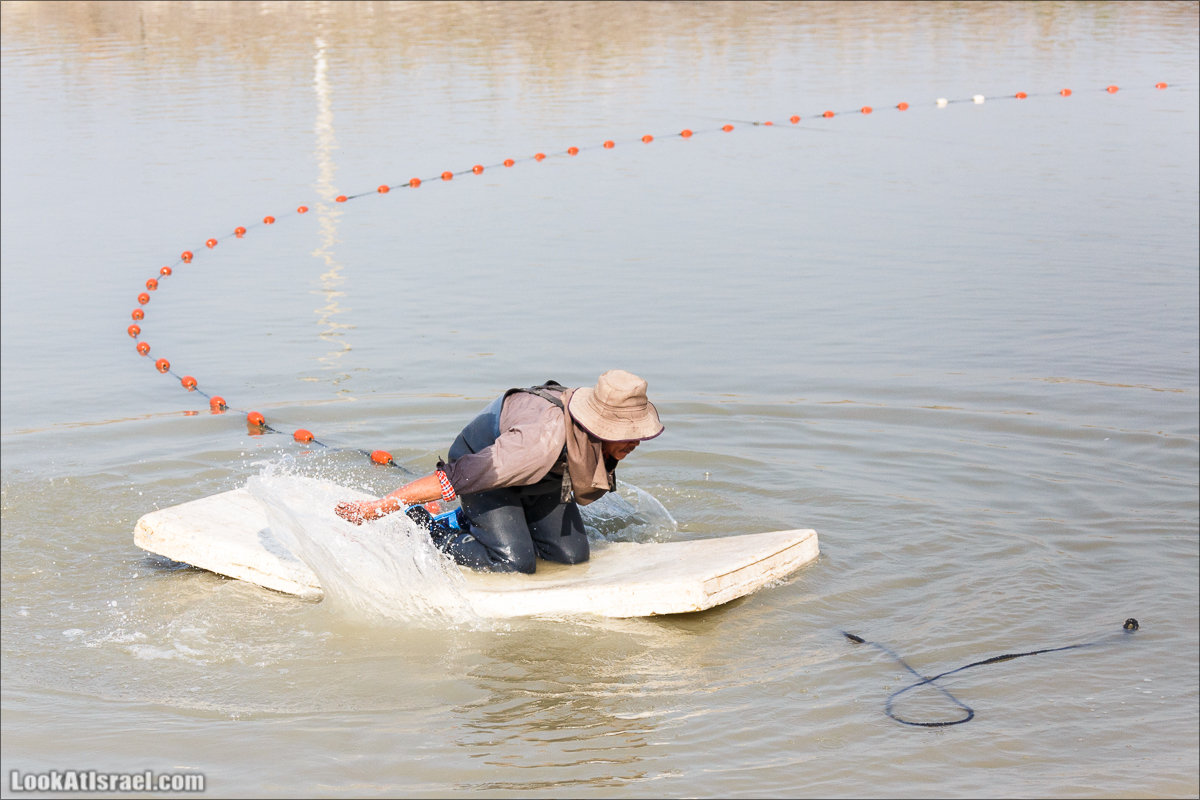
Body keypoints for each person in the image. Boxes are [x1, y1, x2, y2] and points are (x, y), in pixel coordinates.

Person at [335, 369, 663, 573]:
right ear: (599, 428)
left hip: (536, 474)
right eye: (627, 433)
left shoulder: (582, 434)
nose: (635, 441)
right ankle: (425, 526)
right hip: (485, 460)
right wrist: (377, 508)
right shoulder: (538, 445)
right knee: (513, 563)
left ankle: (478, 522)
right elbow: (454, 477)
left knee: (571, 557)